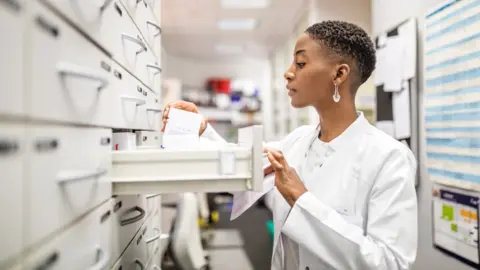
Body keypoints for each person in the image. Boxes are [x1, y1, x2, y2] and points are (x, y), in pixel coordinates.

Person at [162, 20, 418, 270]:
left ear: (339, 74)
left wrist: (300, 199)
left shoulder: (389, 158)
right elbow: (241, 169)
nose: (288, 72)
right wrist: (202, 130)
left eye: (301, 63)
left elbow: (390, 262)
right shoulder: (298, 141)